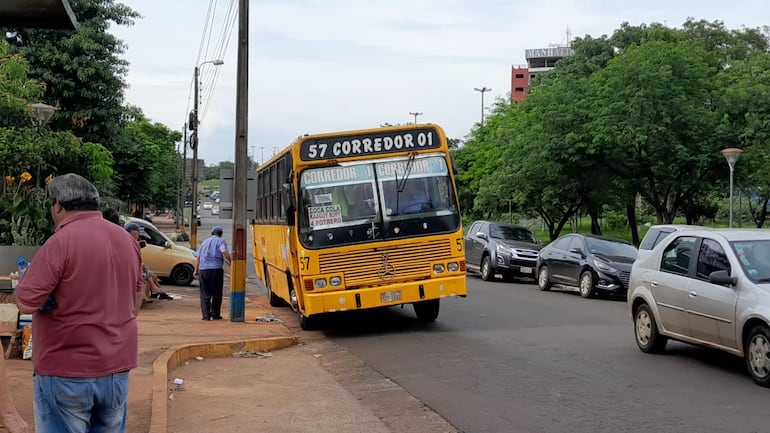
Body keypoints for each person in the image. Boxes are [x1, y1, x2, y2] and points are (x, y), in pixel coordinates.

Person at [15, 173, 143, 433]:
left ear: (58, 204)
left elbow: (27, 302)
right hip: (116, 368)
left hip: (66, 371)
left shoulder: (60, 242)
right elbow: (135, 303)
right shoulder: (126, 240)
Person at [194, 226, 232, 321]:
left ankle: (206, 315)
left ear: (212, 233)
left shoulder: (204, 243)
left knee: (205, 294)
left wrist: (196, 270)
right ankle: (215, 314)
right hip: (216, 270)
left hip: (203, 270)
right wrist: (231, 262)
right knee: (217, 293)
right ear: (221, 234)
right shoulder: (221, 241)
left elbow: (198, 257)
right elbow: (224, 251)